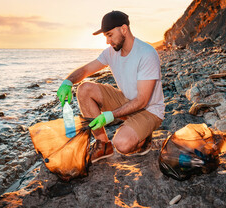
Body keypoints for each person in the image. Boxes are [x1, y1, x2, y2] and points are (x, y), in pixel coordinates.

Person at [57, 10, 165, 163]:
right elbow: (86, 70)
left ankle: (144, 136)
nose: (108, 41)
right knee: (84, 89)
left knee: (122, 144)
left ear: (124, 29)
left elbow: (142, 100)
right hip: (127, 100)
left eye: (109, 35)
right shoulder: (111, 53)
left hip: (150, 110)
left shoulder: (146, 53)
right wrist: (68, 82)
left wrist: (110, 115)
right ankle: (102, 145)